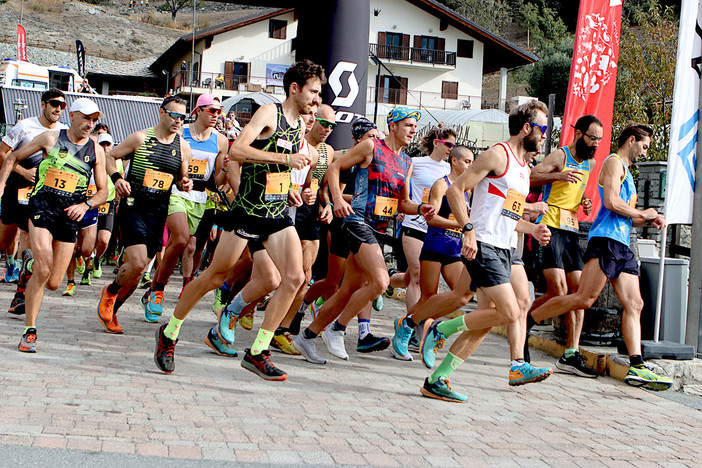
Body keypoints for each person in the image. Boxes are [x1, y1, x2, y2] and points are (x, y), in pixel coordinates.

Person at [154, 59, 324, 381]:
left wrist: (289, 190)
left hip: (275, 214)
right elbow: (239, 152)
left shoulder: (300, 125)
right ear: (294, 88)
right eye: (313, 92)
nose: (316, 99)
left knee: (294, 278)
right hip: (247, 210)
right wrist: (284, 158)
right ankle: (170, 332)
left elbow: (276, 171)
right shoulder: (268, 113)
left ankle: (258, 351)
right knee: (215, 277)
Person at [417, 100, 553, 402]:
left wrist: (533, 230)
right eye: (543, 128)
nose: (545, 135)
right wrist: (467, 229)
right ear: (527, 128)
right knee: (508, 312)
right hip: (485, 245)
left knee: (494, 316)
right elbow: (455, 190)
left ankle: (439, 379)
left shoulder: (523, 170)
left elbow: (507, 215)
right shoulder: (497, 154)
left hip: (505, 248)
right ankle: (442, 329)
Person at [530, 123, 673, 391]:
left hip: (621, 243)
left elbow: (624, 213)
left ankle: (637, 365)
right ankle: (528, 320)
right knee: (583, 298)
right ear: (632, 140)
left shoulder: (627, 173)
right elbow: (610, 203)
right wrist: (645, 212)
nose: (644, 153)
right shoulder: (613, 162)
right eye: (644, 146)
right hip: (603, 240)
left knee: (635, 303)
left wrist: (646, 220)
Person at [293, 106, 435, 364]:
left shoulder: (407, 162)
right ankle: (337, 329)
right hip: (357, 221)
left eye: (415, 126)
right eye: (408, 125)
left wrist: (420, 209)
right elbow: (334, 168)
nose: (413, 130)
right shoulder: (371, 147)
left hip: (379, 229)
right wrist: (337, 199)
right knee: (380, 282)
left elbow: (403, 203)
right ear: (393, 126)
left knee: (348, 290)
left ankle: (308, 336)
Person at [0, 97, 108, 352]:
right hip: (42, 208)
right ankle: (29, 331)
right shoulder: (50, 138)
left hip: (70, 216)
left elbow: (103, 191)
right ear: (72, 116)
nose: (90, 124)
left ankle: (28, 265)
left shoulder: (97, 150)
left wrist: (86, 205)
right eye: (86, 118)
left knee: (54, 282)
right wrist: (2, 185)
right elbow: (12, 156)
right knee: (44, 267)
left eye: (94, 120)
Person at [95, 95, 193, 334]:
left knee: (139, 270)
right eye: (174, 115)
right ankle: (109, 291)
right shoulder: (140, 138)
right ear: (162, 113)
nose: (178, 121)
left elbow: (180, 180)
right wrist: (117, 179)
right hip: (134, 206)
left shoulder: (183, 147)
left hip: (158, 212)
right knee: (138, 263)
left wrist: (185, 184)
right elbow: (110, 157)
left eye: (183, 117)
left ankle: (113, 309)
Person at [527, 114, 602, 377]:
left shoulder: (591, 163)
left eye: (599, 140)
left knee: (578, 292)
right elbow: (532, 176)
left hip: (571, 229)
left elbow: (577, 190)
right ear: (579, 133)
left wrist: (584, 203)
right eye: (592, 137)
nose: (596, 144)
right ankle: (523, 321)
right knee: (557, 291)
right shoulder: (561, 155)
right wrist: (559, 176)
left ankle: (571, 352)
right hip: (549, 225)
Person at [141, 94, 227, 322]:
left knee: (190, 245)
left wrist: (226, 170)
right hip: (176, 190)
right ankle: (158, 290)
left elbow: (217, 181)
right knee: (180, 239)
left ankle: (157, 290)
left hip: (201, 197)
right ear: (198, 111)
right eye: (211, 111)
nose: (216, 116)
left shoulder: (221, 141)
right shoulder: (181, 132)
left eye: (219, 112)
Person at [391, 145, 474, 360]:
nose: (470, 166)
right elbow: (431, 218)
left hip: (455, 249)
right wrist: (460, 225)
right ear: (454, 161)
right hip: (436, 244)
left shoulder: (467, 189)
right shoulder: (441, 184)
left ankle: (411, 322)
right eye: (467, 161)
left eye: (473, 162)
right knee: (428, 296)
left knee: (461, 296)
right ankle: (409, 327)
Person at [0, 89, 68, 315]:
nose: (58, 109)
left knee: (28, 236)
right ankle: (11, 261)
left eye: (62, 105)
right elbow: (3, 153)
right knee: (5, 240)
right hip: (17, 188)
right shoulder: (24, 126)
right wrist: (23, 171)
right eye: (54, 104)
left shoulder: (64, 132)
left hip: (42, 197)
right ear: (43, 105)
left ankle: (20, 292)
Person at [388, 125, 454, 320]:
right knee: (416, 277)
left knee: (410, 277)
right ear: (436, 142)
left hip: (437, 230)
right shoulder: (415, 163)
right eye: (448, 144)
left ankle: (388, 281)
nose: (451, 148)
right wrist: (399, 210)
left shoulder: (451, 168)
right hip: (414, 224)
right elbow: (400, 188)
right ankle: (412, 328)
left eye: (454, 145)